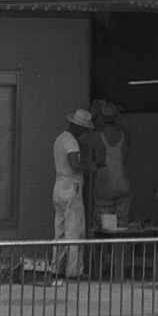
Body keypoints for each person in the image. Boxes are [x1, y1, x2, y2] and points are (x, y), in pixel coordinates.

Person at [52, 108, 93, 275]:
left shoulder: (59, 139)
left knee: (60, 231)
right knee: (75, 231)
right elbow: (75, 165)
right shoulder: (71, 142)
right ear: (78, 126)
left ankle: (57, 268)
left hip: (59, 185)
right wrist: (89, 167)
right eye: (83, 128)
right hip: (72, 187)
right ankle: (74, 271)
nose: (83, 132)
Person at [84, 99, 132, 227]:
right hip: (122, 183)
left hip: (105, 185)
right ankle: (121, 247)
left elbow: (80, 136)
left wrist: (91, 116)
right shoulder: (124, 136)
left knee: (104, 228)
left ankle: (104, 247)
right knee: (122, 225)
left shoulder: (97, 137)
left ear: (100, 119)